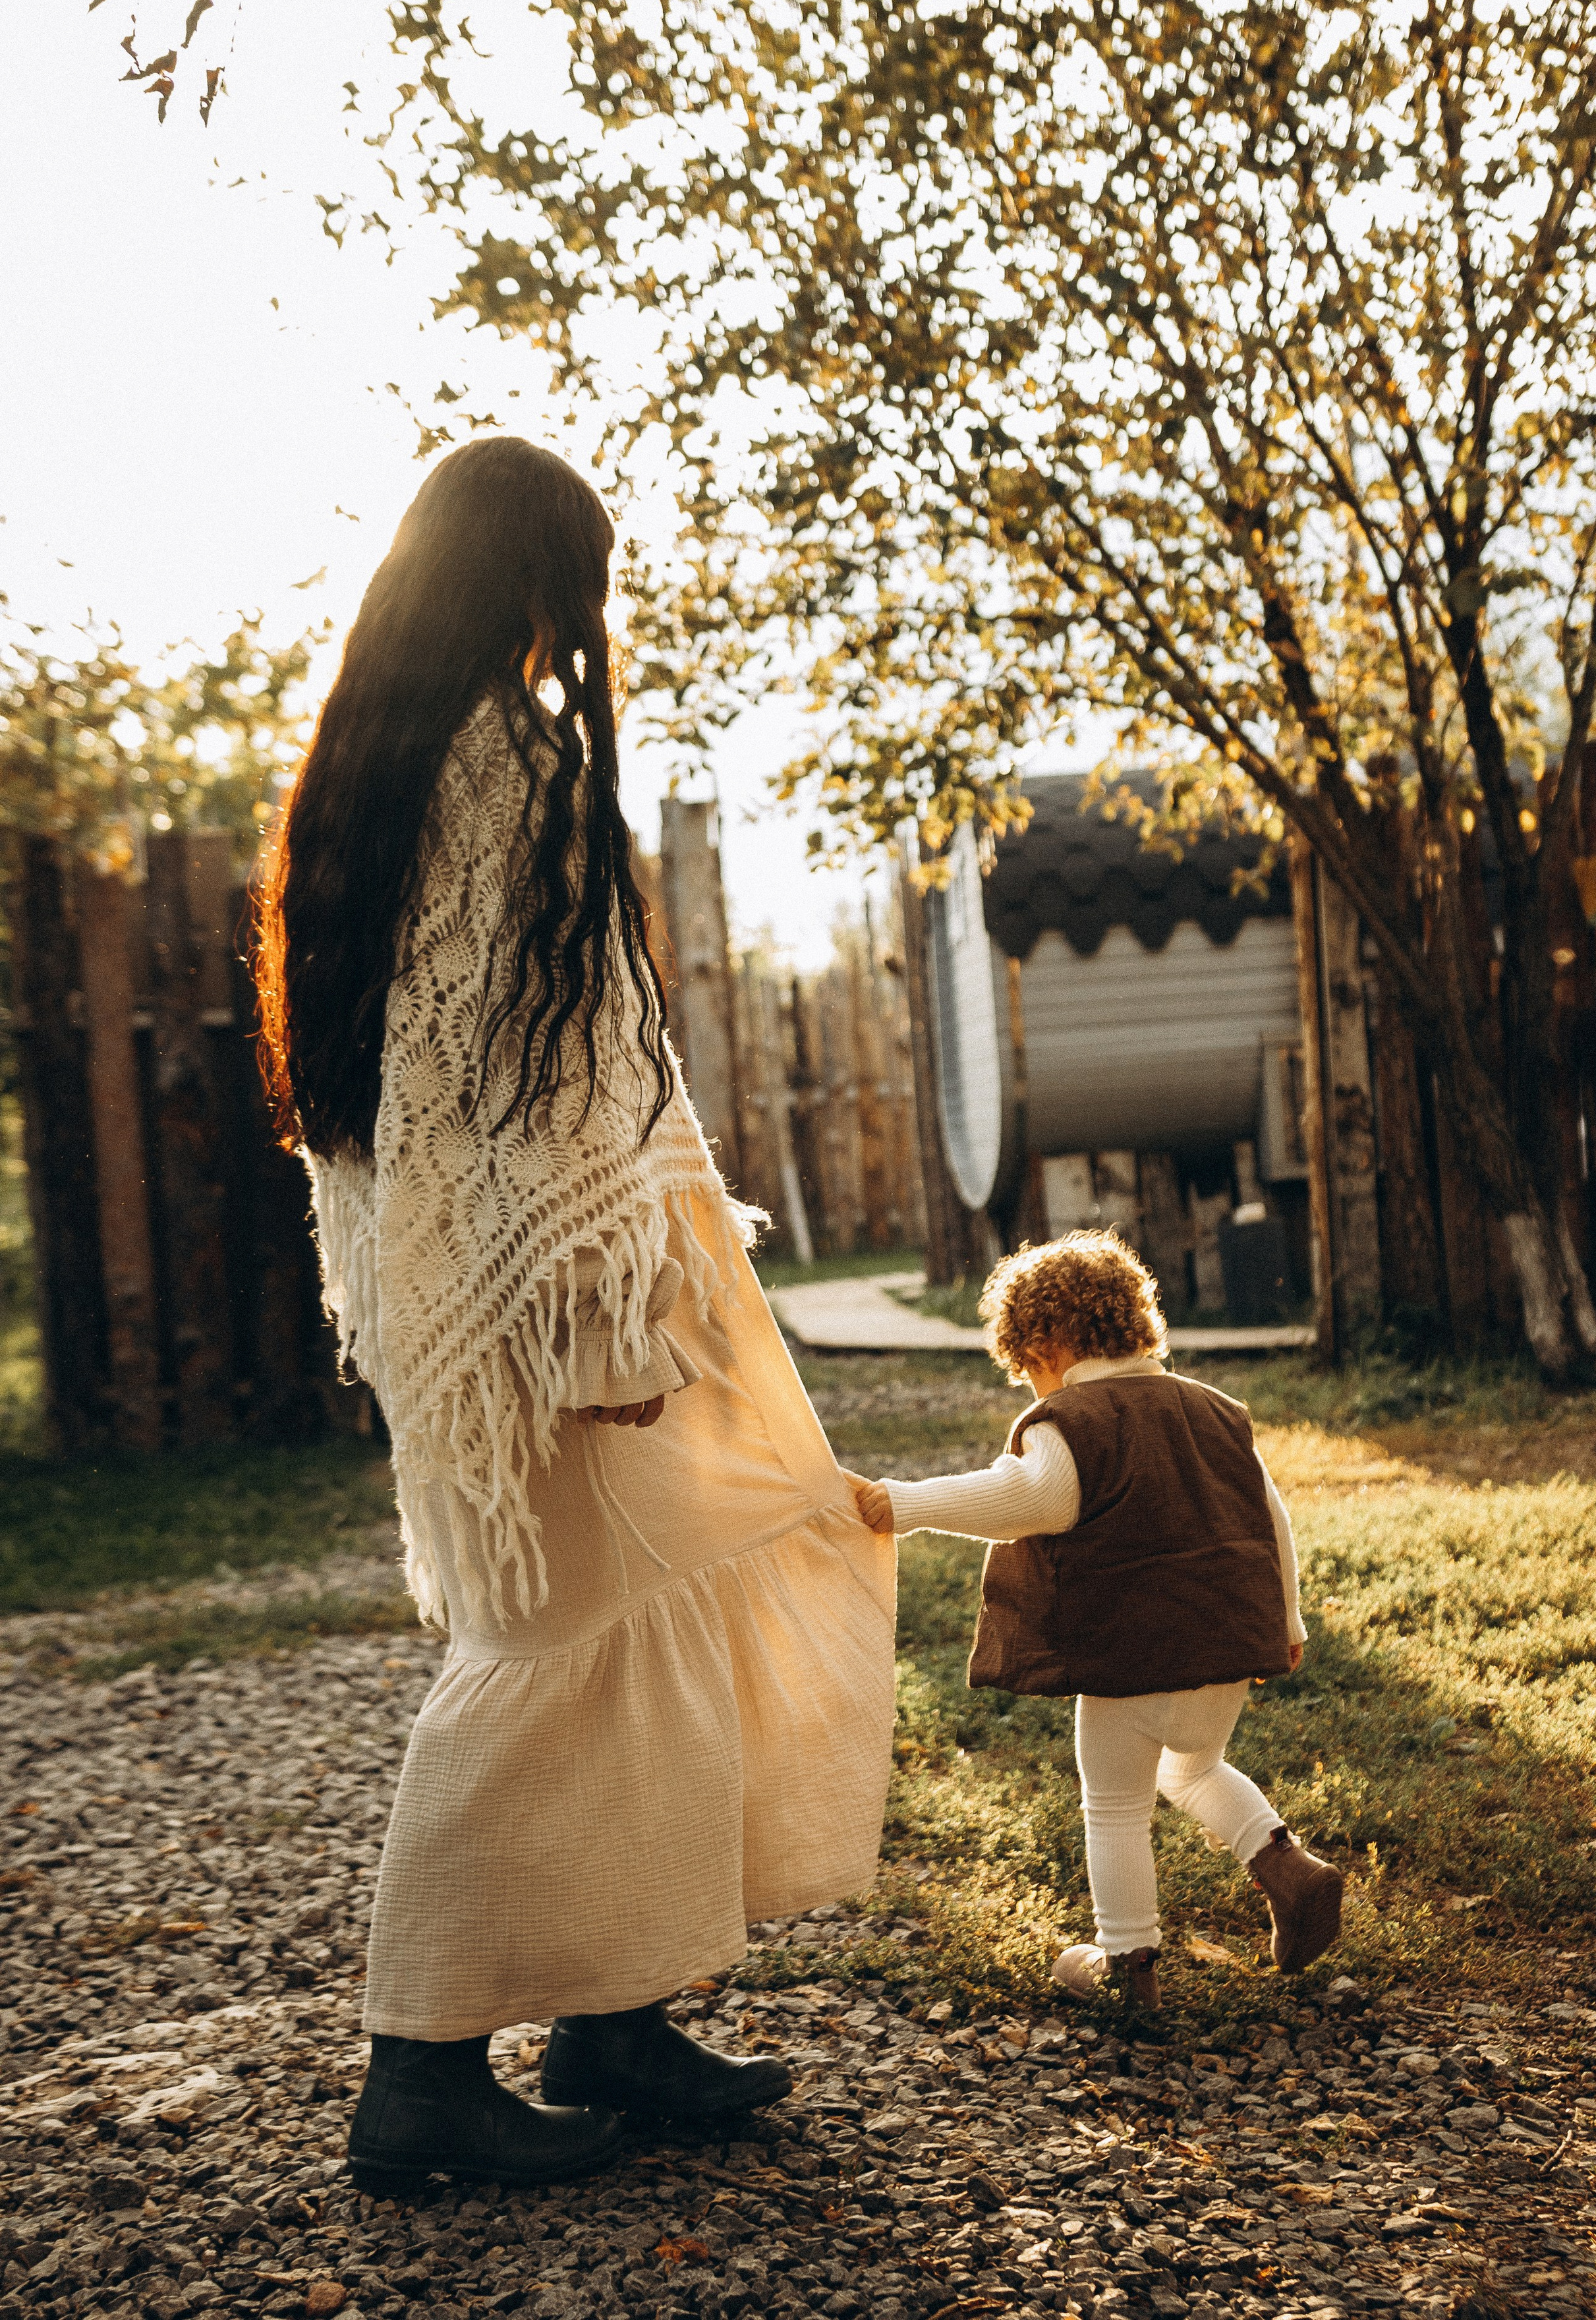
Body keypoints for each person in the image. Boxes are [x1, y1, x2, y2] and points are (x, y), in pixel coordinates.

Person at [256, 436, 896, 2192]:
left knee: (647, 1629)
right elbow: (531, 1090)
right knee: (542, 1663)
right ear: (536, 582)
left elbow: (436, 1095)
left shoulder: (375, 769)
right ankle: (418, 2074)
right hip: (556, 1300)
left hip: (477, 1297)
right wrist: (602, 1322)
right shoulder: (507, 770)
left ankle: (617, 2015)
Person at [850, 1228, 1341, 2010]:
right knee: (1193, 1768)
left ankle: (1127, 1965)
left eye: (1028, 1370)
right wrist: (1286, 1622)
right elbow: (1268, 1518)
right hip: (1223, 1648)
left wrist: (905, 1503)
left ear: (1045, 1343)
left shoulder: (1073, 1420)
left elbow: (1030, 1498)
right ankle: (1287, 1868)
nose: (1032, 1388)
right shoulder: (1215, 1410)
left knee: (1114, 1807)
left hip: (1129, 1655)